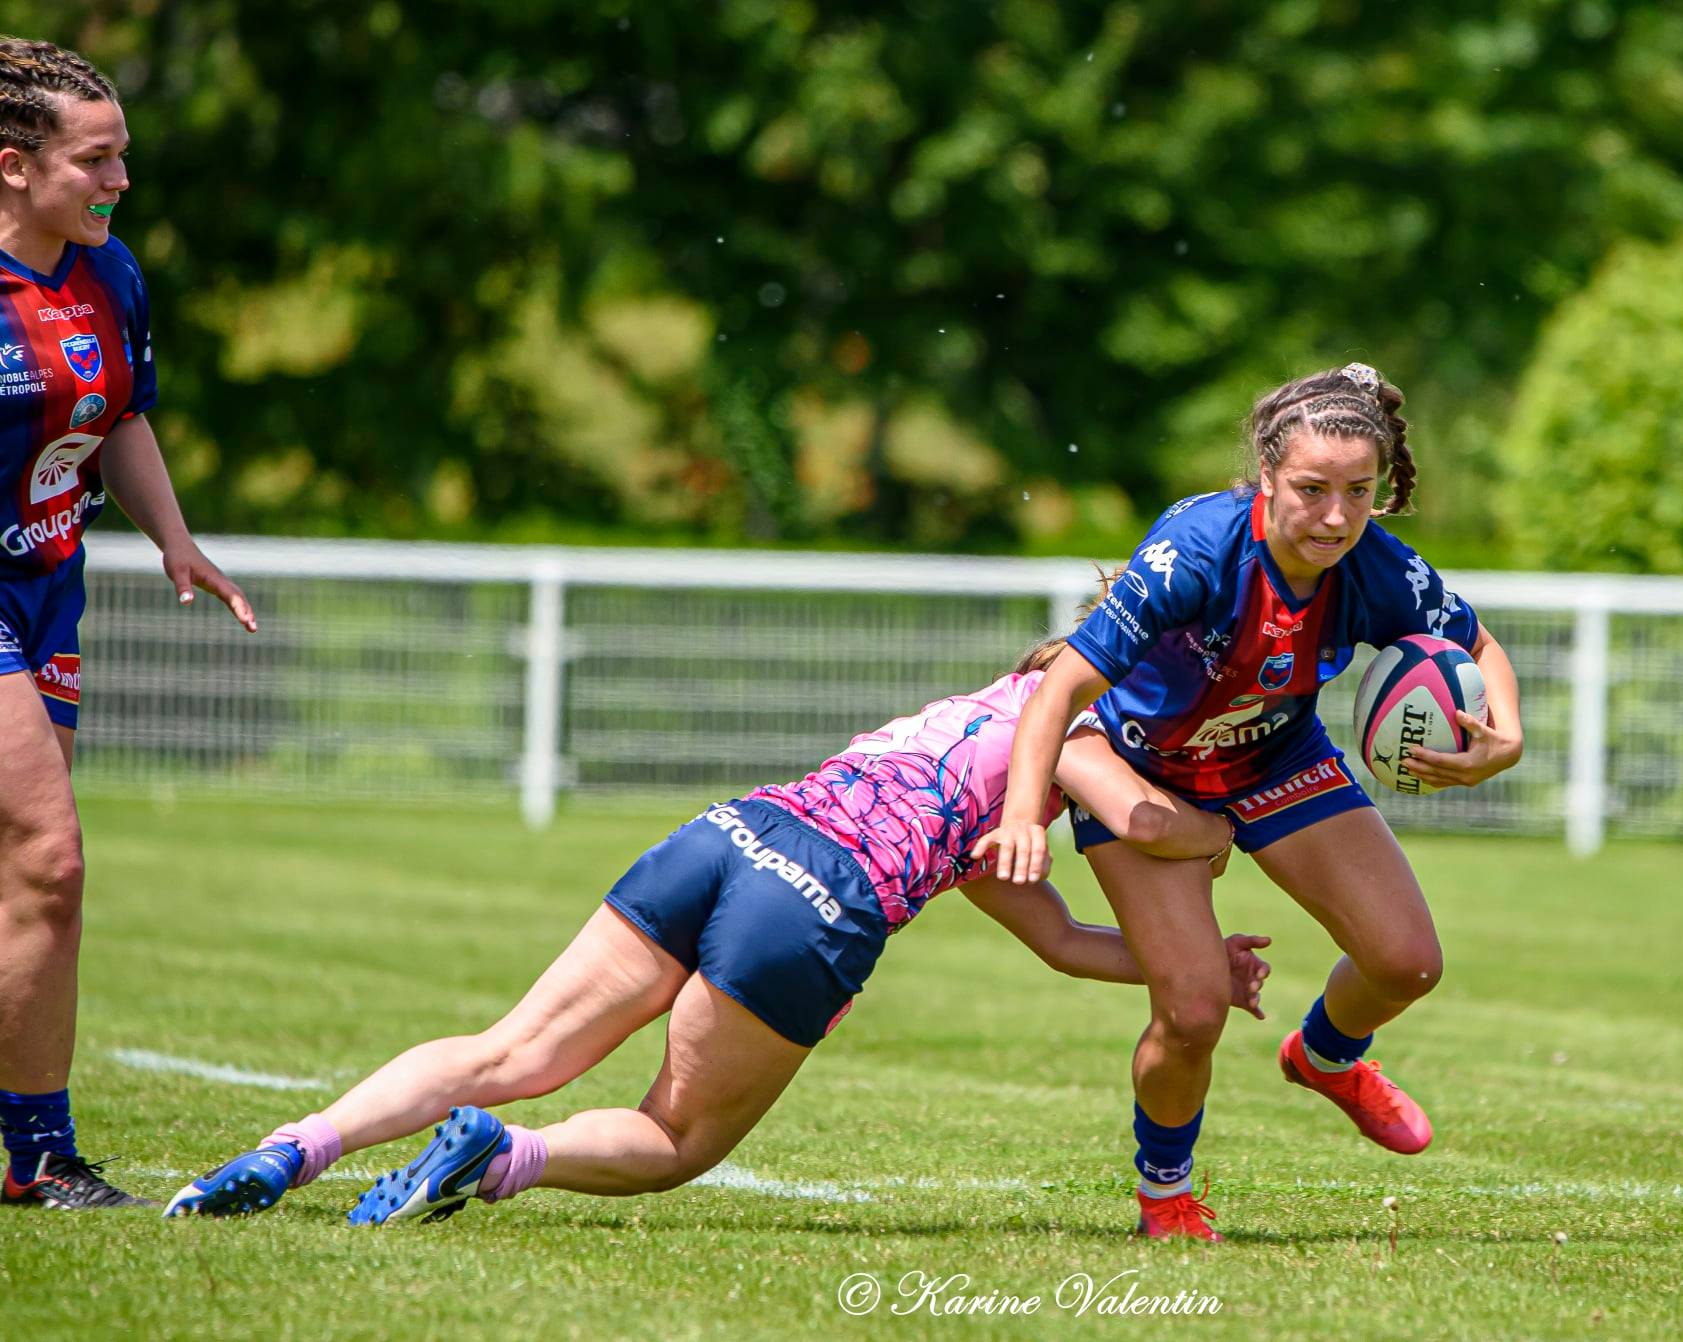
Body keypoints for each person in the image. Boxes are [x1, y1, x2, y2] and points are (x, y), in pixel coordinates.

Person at [164, 645, 1271, 1224]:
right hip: (818, 900)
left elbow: (1061, 937)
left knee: (513, 1047)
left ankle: (295, 1148)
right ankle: (505, 1156)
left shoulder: (978, 715)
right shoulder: (1074, 728)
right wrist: (1227, 819)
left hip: (732, 833)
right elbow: (1139, 820)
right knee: (678, 1141)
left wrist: (1194, 968)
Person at [979, 362, 1525, 1241]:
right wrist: (1017, 817)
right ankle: (1166, 1193)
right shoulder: (1197, 551)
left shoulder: (1376, 566)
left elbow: (1479, 642)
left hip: (1275, 759)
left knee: (1407, 964)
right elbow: (1060, 688)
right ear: (1267, 476)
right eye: (1312, 490)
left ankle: (1326, 1057)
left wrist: (1507, 736)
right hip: (1145, 769)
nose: (1337, 517)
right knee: (1192, 1009)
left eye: (1359, 492)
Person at [0, 36, 256, 1211]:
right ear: (14, 165)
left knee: (34, 876)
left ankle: (32, 1153)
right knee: (51, 857)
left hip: (48, 588)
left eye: (123, 156)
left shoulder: (111, 275)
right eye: (95, 160)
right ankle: (41, 1154)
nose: (120, 181)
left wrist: (175, 538)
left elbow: (123, 419)